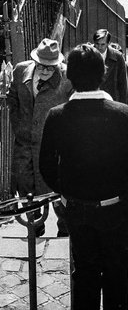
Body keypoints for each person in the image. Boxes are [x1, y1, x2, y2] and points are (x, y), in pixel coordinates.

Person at [39, 42, 128, 310]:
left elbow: (46, 166)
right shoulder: (124, 115)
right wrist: (121, 194)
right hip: (116, 207)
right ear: (103, 73)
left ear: (70, 77)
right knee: (117, 275)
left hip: (78, 209)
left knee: (84, 275)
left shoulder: (57, 116)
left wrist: (67, 192)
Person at [7, 37, 71, 237]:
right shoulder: (20, 70)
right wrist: (19, 125)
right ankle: (34, 225)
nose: (45, 71)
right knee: (26, 185)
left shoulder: (67, 78)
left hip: (52, 144)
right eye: (41, 66)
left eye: (50, 68)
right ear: (34, 61)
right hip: (25, 142)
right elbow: (12, 99)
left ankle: (65, 228)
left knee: (56, 187)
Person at [93, 28, 128, 104]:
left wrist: (124, 107)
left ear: (108, 43)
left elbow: (123, 85)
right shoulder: (87, 55)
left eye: (102, 44)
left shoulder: (117, 57)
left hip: (112, 102)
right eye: (97, 44)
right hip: (93, 102)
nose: (99, 47)